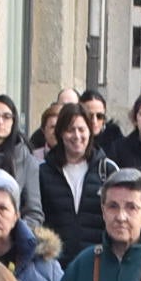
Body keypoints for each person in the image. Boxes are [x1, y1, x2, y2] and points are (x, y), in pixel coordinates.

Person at [33, 103, 105, 261]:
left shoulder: (106, 171)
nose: (77, 136)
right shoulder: (43, 172)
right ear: (60, 133)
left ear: (90, 132)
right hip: (55, 263)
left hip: (96, 261)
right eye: (70, 130)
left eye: (81, 129)